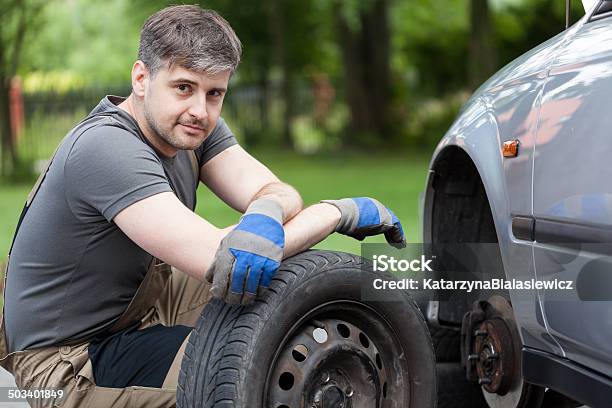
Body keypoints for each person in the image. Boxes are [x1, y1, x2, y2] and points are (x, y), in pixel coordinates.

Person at [0, 5, 406, 407]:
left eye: (215, 94)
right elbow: (222, 259)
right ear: (141, 79)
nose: (200, 109)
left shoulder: (190, 125)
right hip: (67, 360)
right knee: (241, 373)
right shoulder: (106, 147)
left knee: (287, 279)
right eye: (183, 87)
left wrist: (266, 207)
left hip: (142, 303)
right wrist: (337, 213)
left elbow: (275, 189)